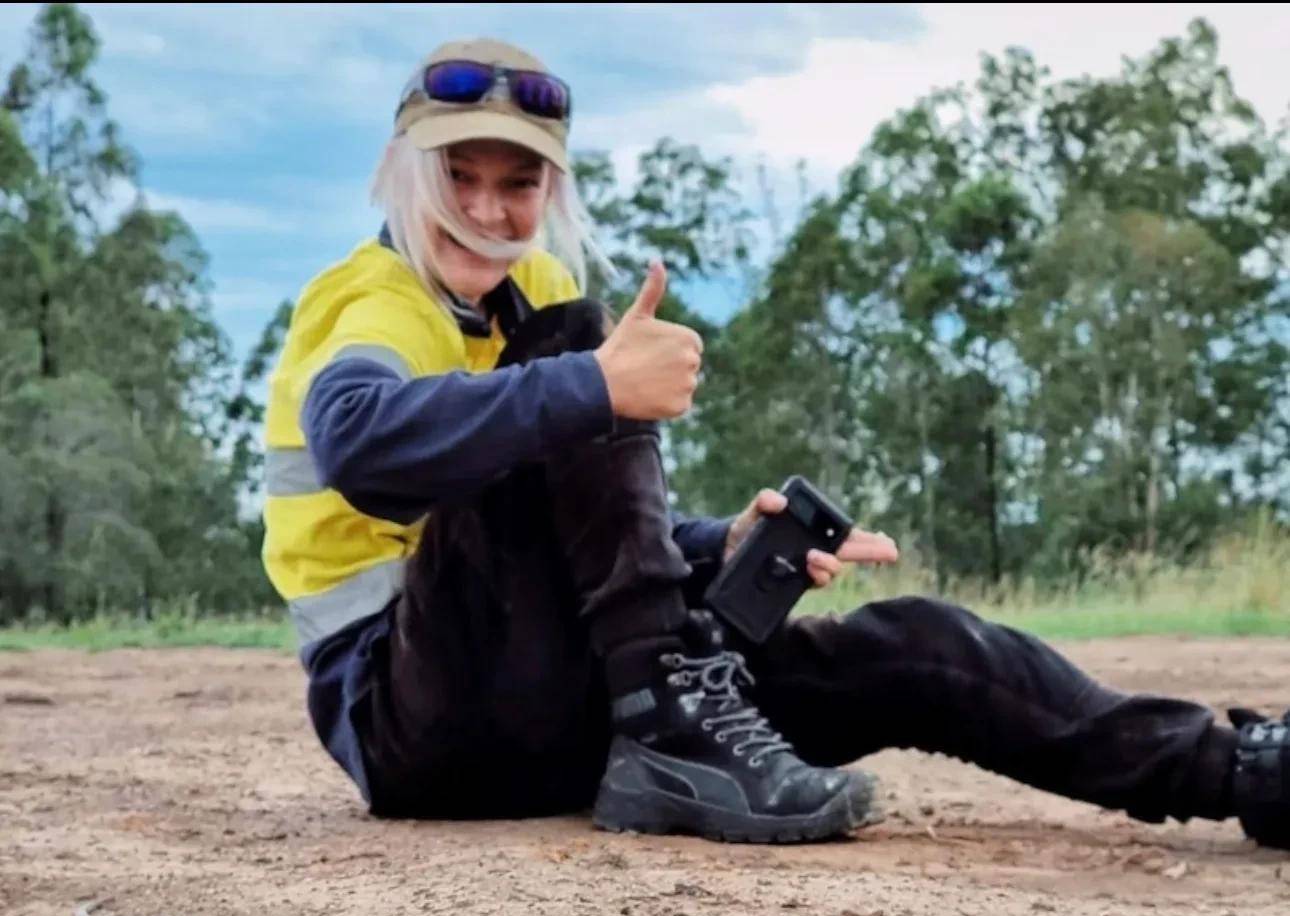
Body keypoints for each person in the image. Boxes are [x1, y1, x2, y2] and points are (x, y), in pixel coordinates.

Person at [261, 37, 1290, 853]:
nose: (487, 210)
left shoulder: (538, 305)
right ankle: (674, 722)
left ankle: (1240, 770)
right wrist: (592, 380)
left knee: (913, 646)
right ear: (406, 175)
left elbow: (572, 536)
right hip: (411, 723)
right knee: (582, 349)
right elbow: (357, 440)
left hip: (572, 712)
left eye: (517, 183)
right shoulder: (374, 300)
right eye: (459, 177)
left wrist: (709, 545)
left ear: (551, 193)